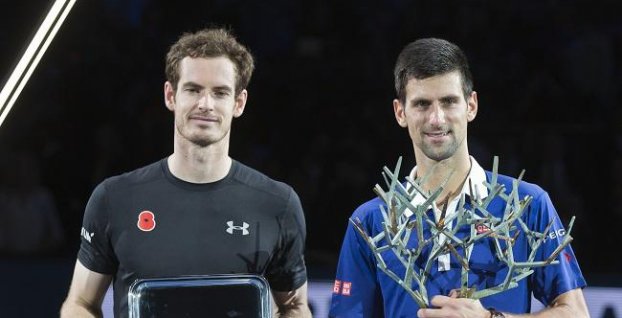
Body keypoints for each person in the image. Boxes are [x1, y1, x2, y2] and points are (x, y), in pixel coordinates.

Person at [61, 28, 311, 317]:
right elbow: (79, 303)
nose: (205, 104)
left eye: (220, 93)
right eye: (193, 89)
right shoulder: (114, 198)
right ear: (171, 95)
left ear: (238, 103)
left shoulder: (278, 204)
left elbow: (294, 307)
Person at [329, 38, 589, 318]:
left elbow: (575, 313)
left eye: (449, 102)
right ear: (400, 112)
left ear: (471, 105)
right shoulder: (369, 222)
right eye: (422, 104)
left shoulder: (526, 204)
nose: (437, 119)